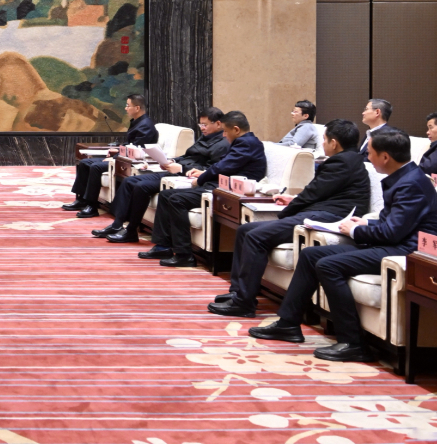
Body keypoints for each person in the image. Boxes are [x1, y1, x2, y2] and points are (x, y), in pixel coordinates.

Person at [250, 129, 437, 362]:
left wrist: (355, 231)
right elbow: (397, 222)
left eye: (370, 153)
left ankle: (353, 343)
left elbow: (392, 233)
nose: (368, 157)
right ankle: (288, 323)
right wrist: (367, 222)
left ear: (385, 157)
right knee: (310, 255)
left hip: (404, 251)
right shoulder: (404, 177)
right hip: (394, 242)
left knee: (328, 266)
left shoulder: (411, 184)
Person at [208, 119, 371, 318]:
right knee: (245, 230)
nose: (323, 143)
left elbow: (312, 194)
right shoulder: (349, 160)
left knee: (256, 236)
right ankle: (238, 292)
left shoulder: (341, 162)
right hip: (322, 210)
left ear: (334, 143)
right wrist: (293, 199)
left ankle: (244, 303)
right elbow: (320, 192)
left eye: (324, 139)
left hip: (328, 217)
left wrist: (283, 215)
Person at [139, 110, 267, 267]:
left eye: (225, 131)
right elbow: (222, 166)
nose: (224, 135)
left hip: (229, 192)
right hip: (220, 185)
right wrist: (203, 173)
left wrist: (200, 179)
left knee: (177, 200)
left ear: (236, 129)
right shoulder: (244, 142)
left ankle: (184, 255)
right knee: (166, 195)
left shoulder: (246, 143)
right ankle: (163, 246)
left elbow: (223, 166)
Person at [92, 107, 229, 243]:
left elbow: (209, 170)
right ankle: (117, 225)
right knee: (129, 181)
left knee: (141, 187)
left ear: (218, 124)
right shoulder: (205, 137)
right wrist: (172, 161)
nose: (202, 128)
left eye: (205, 125)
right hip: (174, 170)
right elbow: (188, 156)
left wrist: (181, 168)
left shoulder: (223, 144)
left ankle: (131, 230)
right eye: (200, 125)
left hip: (185, 177)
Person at [64, 94, 156, 218]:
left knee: (96, 167)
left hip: (130, 162)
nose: (125, 108)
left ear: (137, 108)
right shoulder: (137, 122)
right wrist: (116, 150)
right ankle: (81, 200)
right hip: (123, 157)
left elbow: (135, 149)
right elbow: (129, 144)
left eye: (128, 105)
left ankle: (92, 206)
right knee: (85, 163)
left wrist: (115, 157)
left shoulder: (145, 125)